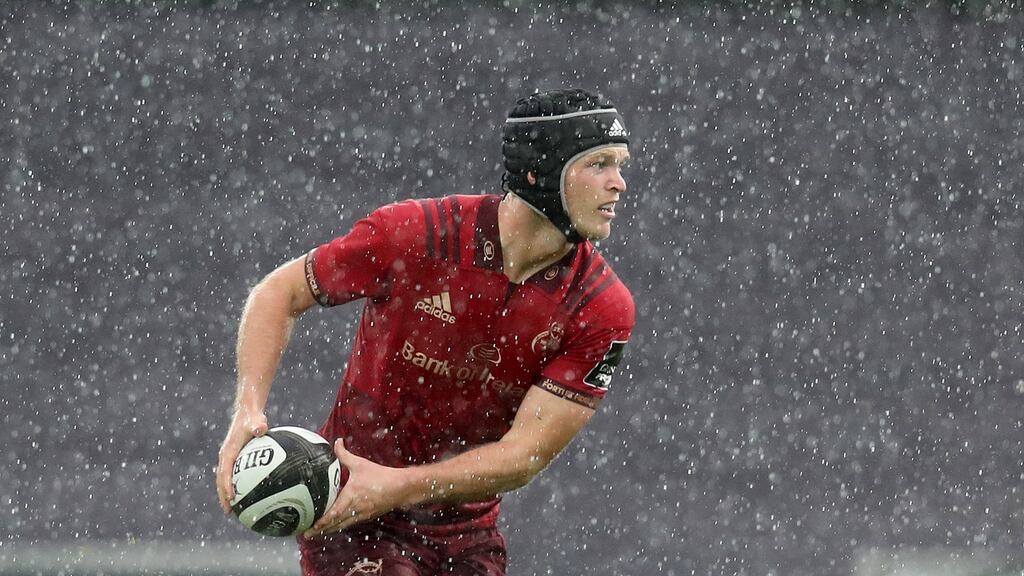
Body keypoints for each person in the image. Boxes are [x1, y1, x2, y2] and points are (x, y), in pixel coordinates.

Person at [216, 88, 636, 576]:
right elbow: (278, 294)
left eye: (620, 164)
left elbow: (523, 455)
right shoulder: (415, 234)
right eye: (600, 164)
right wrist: (247, 409)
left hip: (467, 533)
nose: (619, 183)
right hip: (353, 517)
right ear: (537, 172)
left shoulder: (602, 308)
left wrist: (398, 486)